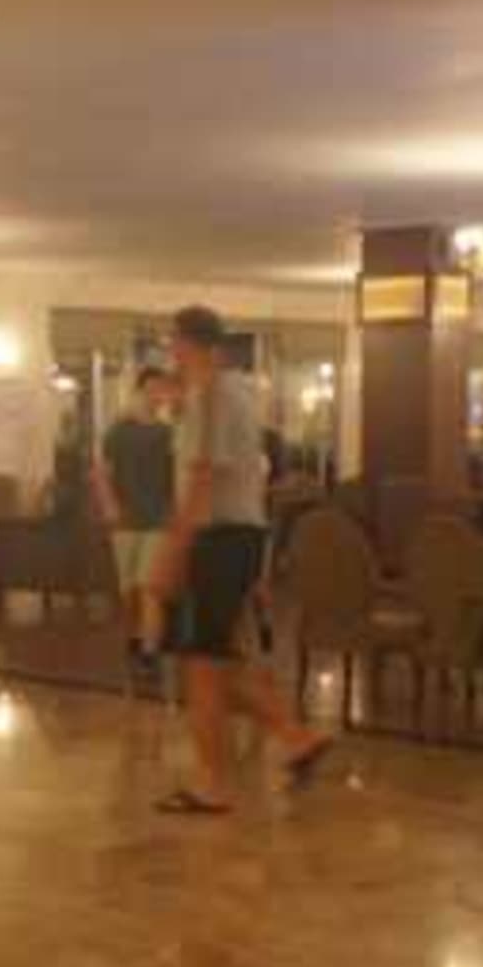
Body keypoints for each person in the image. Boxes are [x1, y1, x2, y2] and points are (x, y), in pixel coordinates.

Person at [149, 306, 332, 814]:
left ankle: (212, 783)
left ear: (185, 343)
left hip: (217, 539)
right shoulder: (233, 394)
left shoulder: (212, 397)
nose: (171, 355)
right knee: (219, 662)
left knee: (203, 667)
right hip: (237, 538)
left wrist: (171, 552)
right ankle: (295, 737)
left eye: (173, 344)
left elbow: (202, 481)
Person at [95, 367, 176, 686]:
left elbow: (179, 477)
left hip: (159, 521)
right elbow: (102, 473)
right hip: (126, 521)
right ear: (139, 391)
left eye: (162, 389)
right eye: (152, 389)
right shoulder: (118, 431)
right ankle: (134, 639)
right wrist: (110, 506)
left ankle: (150, 652)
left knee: (149, 588)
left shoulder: (169, 433)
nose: (157, 395)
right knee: (128, 592)